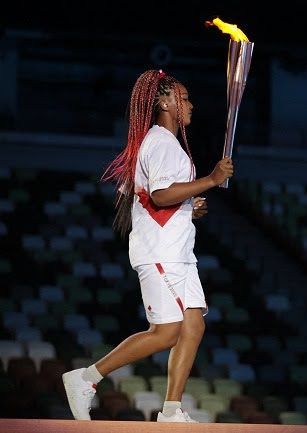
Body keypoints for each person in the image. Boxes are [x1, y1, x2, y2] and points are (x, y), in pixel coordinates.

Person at [61, 69, 234, 422]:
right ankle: (86, 378)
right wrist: (211, 181)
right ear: (167, 102)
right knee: (167, 332)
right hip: (161, 254)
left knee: (193, 324)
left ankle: (171, 410)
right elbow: (159, 194)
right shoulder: (159, 142)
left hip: (178, 253)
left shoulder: (163, 144)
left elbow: (154, 197)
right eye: (184, 99)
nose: (191, 105)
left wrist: (191, 205)